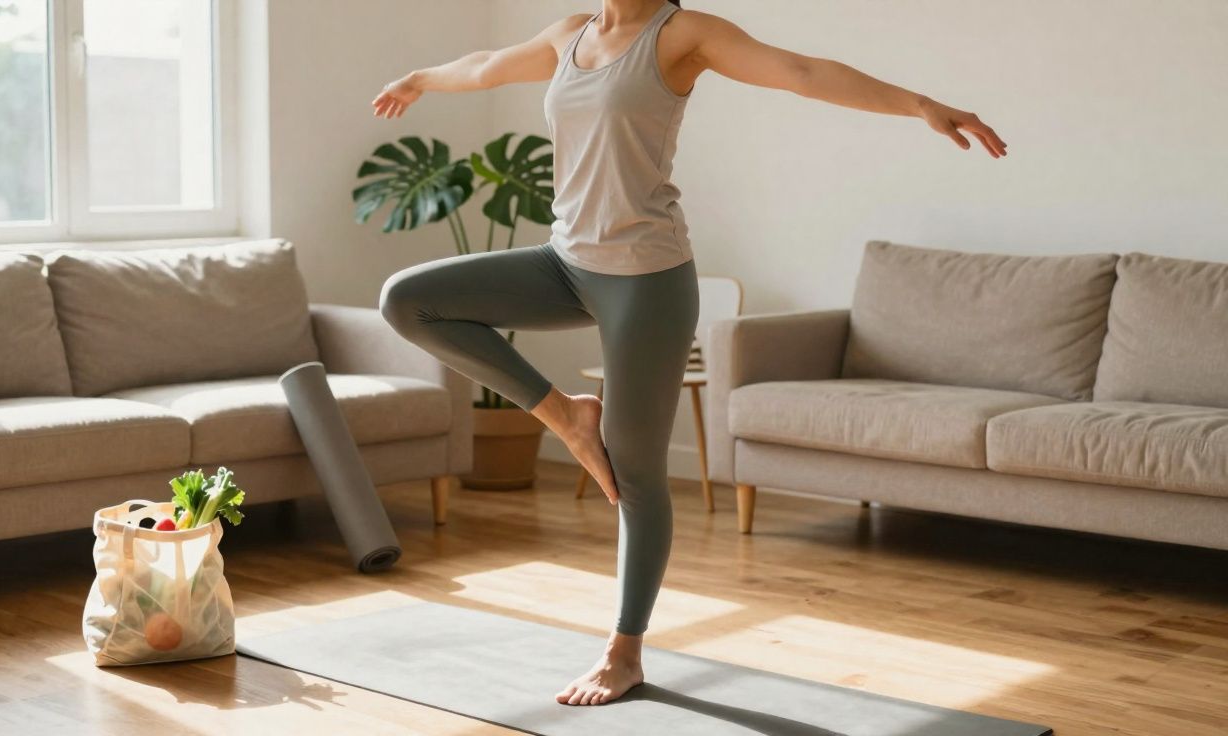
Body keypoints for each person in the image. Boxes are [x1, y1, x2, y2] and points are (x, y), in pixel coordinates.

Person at [372, 0, 1006, 707]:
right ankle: (565, 416)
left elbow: (798, 72)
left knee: (635, 471)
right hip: (564, 262)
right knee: (408, 300)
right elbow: (487, 67)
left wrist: (919, 104)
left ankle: (624, 651)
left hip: (646, 278)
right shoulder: (571, 31)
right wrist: (420, 77)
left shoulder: (680, 35)